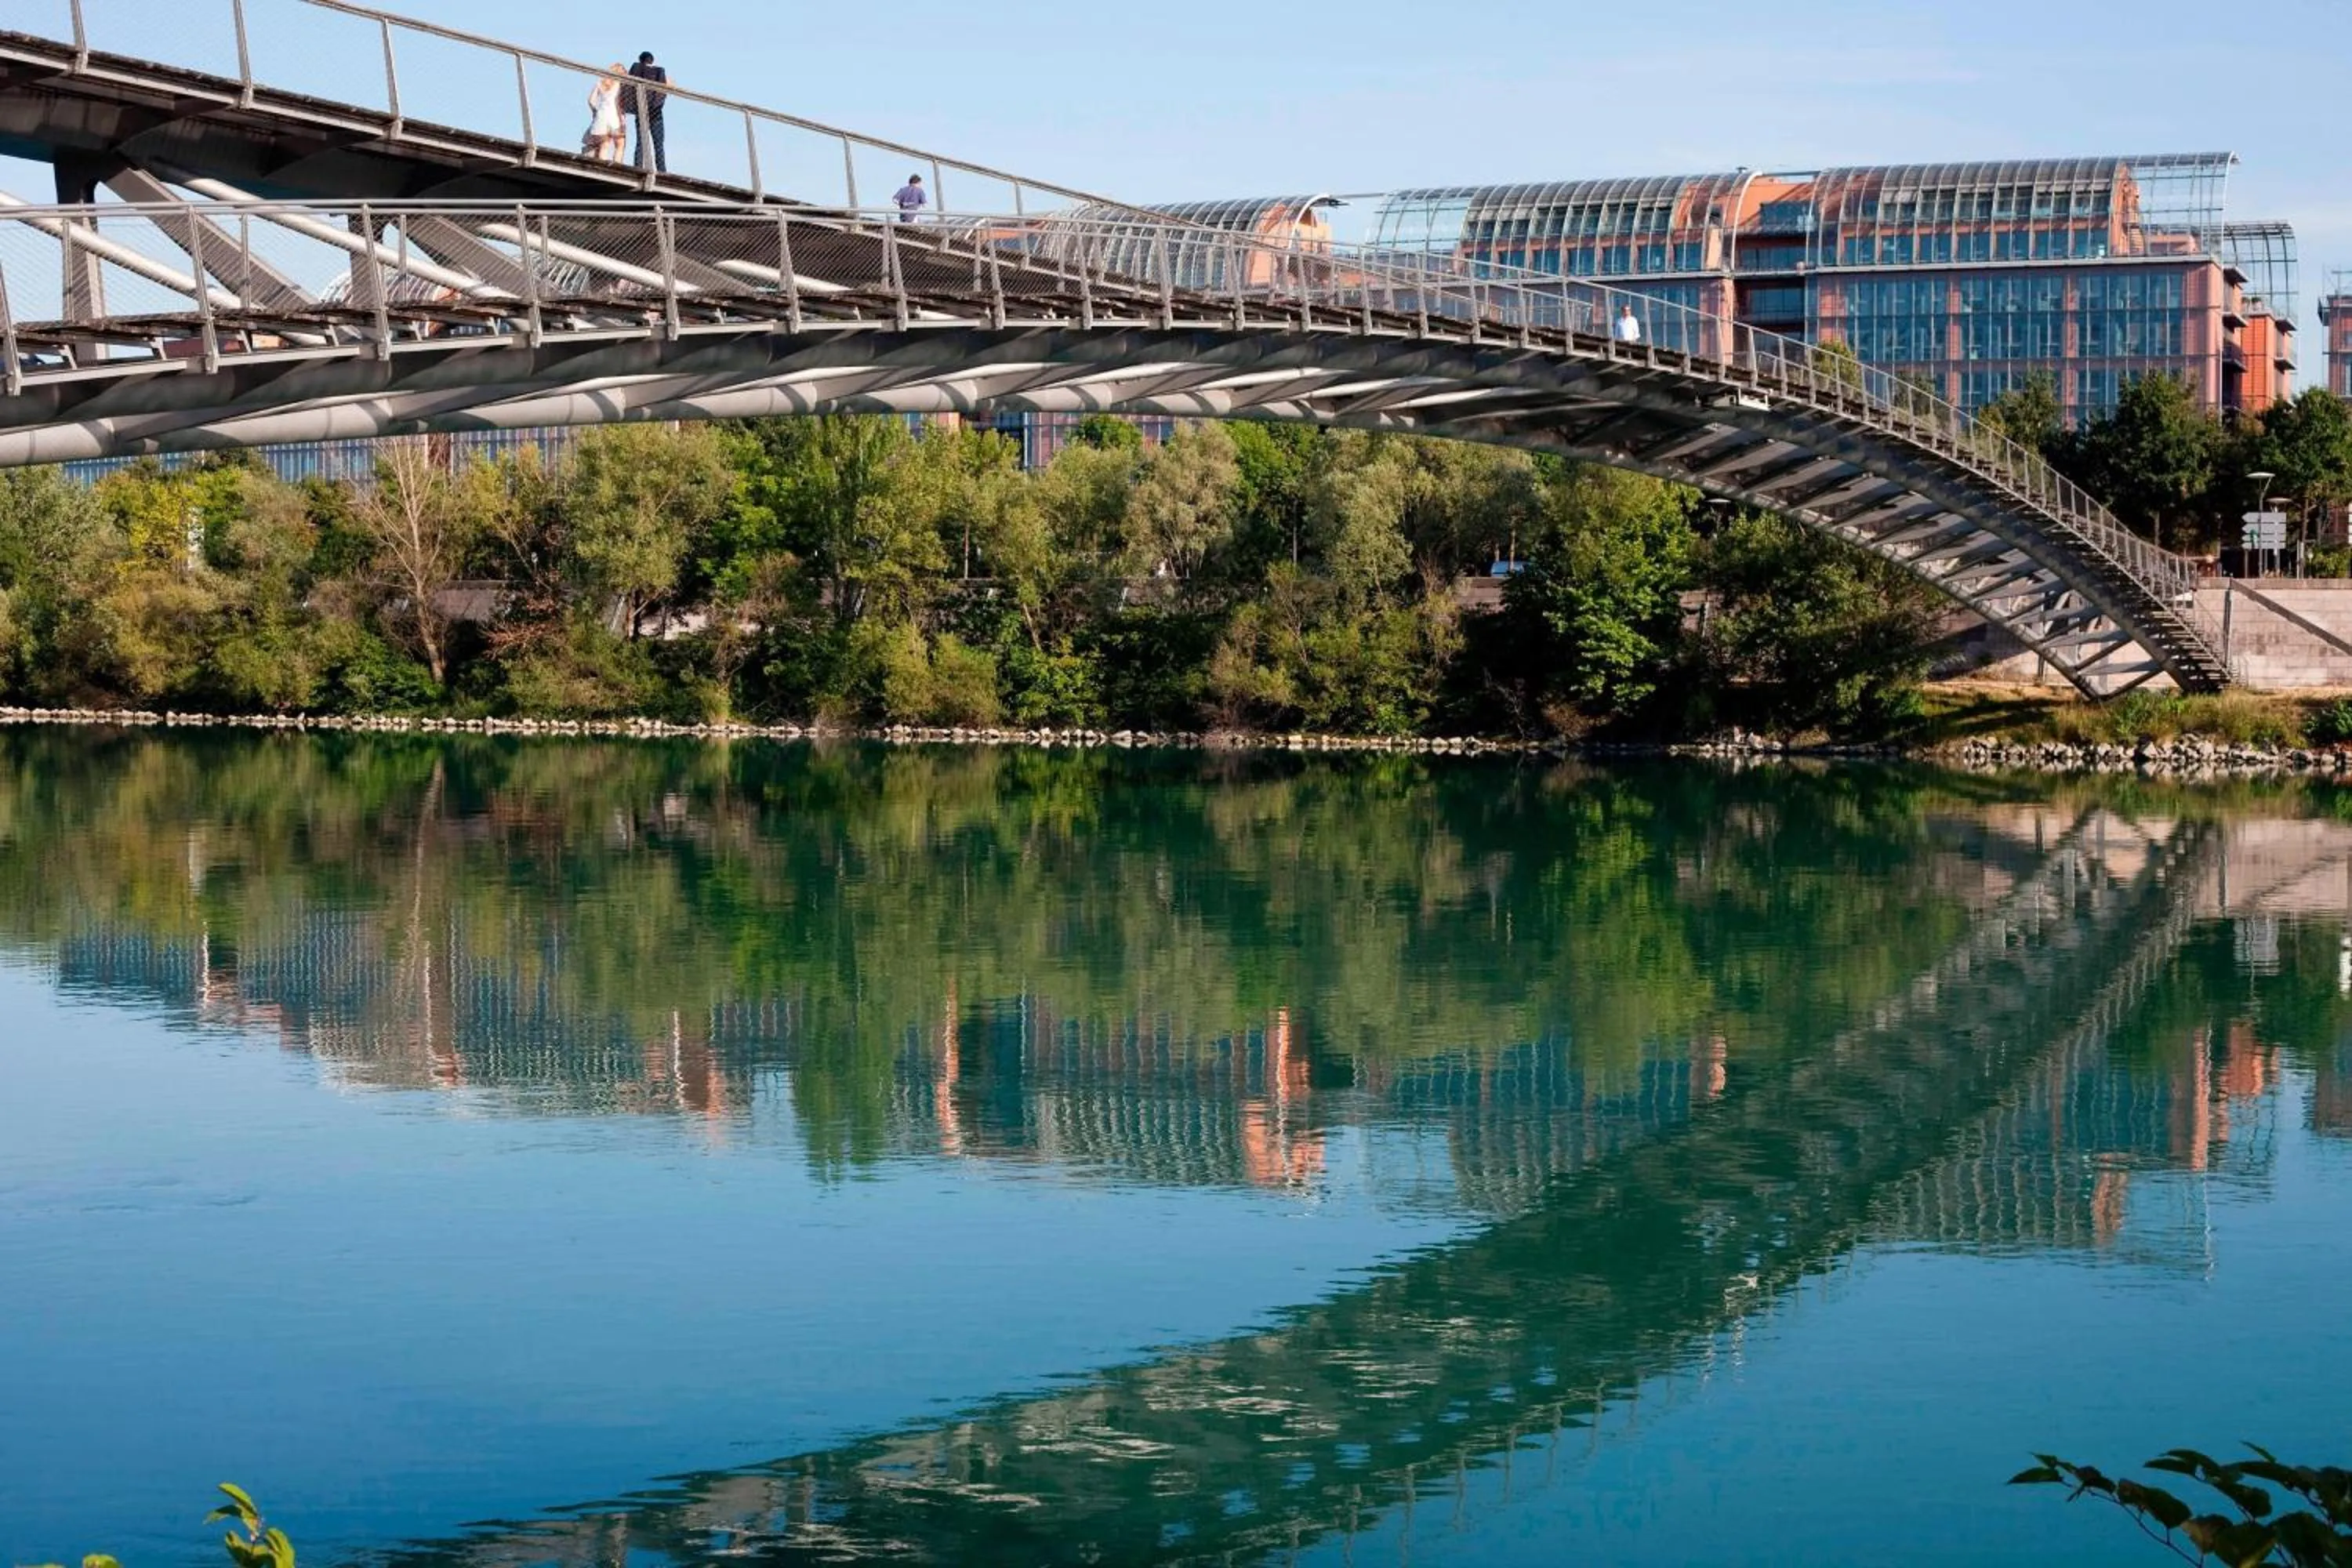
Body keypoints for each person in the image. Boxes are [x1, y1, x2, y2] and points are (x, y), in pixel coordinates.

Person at [626, 51, 668, 174]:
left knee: (641, 141)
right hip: (656, 112)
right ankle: (662, 171)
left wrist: (633, 107)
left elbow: (629, 85)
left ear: (641, 60)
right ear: (652, 60)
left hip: (642, 109)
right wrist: (655, 106)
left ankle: (638, 167)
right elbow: (662, 92)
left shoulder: (636, 67)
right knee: (659, 144)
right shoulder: (660, 71)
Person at [586, 66, 626, 163]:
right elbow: (618, 103)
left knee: (604, 144)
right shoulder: (619, 84)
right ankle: (617, 166)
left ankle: (602, 167)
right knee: (620, 144)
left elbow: (591, 101)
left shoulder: (600, 82)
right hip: (615, 117)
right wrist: (622, 118)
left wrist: (595, 112)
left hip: (602, 116)